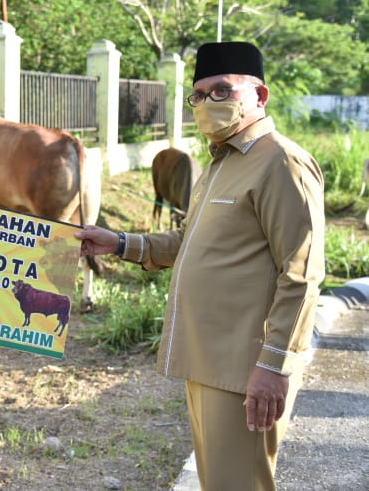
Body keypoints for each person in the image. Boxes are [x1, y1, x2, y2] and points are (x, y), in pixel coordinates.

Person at [76, 42, 325, 491]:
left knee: (239, 484)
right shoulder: (219, 163)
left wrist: (273, 366)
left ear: (259, 96)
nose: (209, 103)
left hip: (244, 368)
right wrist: (116, 243)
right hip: (206, 361)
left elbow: (302, 274)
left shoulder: (280, 163)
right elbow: (187, 243)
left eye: (222, 91)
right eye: (200, 94)